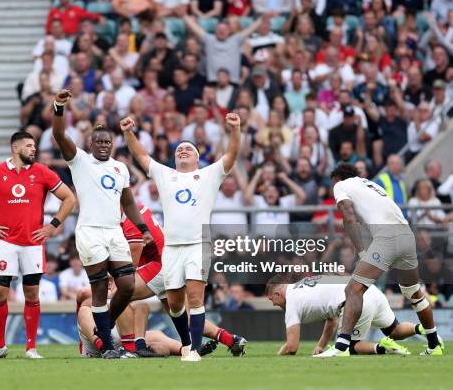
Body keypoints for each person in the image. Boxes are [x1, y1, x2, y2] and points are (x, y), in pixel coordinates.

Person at [120, 111, 240, 362]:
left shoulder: (209, 174)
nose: (183, 150)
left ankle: (194, 350)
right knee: (175, 304)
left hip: (199, 244)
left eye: (189, 149)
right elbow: (141, 155)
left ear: (197, 157)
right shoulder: (165, 175)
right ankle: (187, 344)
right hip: (172, 248)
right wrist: (128, 133)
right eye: (179, 149)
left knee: (195, 297)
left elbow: (230, 155)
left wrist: (235, 130)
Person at [52, 89, 152, 359]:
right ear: (91, 143)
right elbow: (60, 135)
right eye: (99, 142)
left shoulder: (120, 168)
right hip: (90, 233)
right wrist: (59, 107)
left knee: (128, 285)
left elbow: (128, 202)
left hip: (114, 231)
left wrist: (143, 229)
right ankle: (107, 344)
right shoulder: (80, 161)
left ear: (113, 142)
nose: (104, 145)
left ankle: (102, 329)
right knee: (98, 288)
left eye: (108, 141)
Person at [0, 131, 76, 360]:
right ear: (15, 148)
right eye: (29, 146)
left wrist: (52, 225)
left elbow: (70, 198)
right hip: (6, 242)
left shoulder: (42, 171)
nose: (34, 149)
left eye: (34, 145)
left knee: (32, 293)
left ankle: (31, 348)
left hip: (33, 243)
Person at [316, 163, 443, 357]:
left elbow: (349, 217)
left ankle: (341, 347)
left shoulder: (340, 185)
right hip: (407, 235)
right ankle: (434, 345)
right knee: (413, 292)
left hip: (388, 237)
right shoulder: (371, 185)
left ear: (337, 179)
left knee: (353, 289)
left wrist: (360, 252)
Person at [267, 275, 441, 356]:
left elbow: (292, 347)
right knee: (394, 329)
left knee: (348, 346)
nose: (274, 304)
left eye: (272, 300)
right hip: (370, 290)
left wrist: (278, 354)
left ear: (278, 294)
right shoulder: (306, 285)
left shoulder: (292, 300)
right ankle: (425, 330)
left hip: (355, 301)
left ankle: (382, 348)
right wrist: (321, 345)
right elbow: (331, 319)